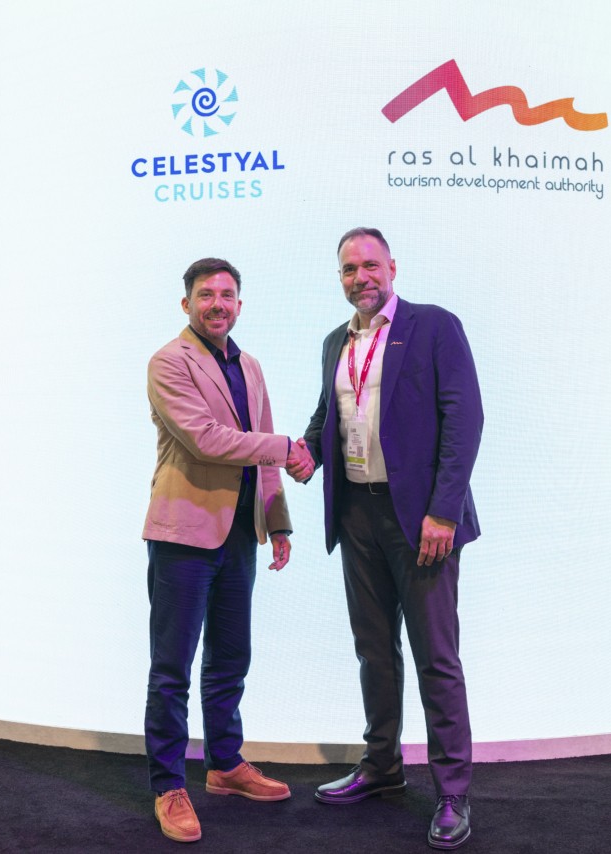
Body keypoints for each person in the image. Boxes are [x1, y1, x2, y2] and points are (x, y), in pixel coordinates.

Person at [296, 228, 482, 850]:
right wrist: (306, 452)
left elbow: (465, 418)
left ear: (392, 267)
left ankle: (452, 791)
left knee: (436, 657)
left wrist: (444, 513)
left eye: (370, 265)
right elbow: (328, 416)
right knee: (374, 652)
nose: (361, 277)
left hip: (421, 521)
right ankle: (382, 767)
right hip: (357, 515)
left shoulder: (433, 326)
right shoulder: (335, 342)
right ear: (340, 278)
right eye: (349, 269)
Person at [143, 257, 311, 842]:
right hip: (183, 534)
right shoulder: (169, 361)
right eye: (206, 294)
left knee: (230, 657)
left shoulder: (251, 366)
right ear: (186, 303)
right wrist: (286, 445)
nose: (217, 303)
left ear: (239, 303)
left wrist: (278, 521)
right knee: (172, 667)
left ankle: (224, 765)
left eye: (227, 294)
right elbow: (206, 440)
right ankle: (169, 785)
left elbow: (262, 456)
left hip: (240, 534)